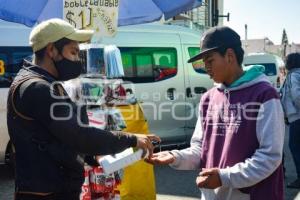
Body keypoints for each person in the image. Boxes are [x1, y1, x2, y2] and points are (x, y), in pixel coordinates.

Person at [7, 18, 159, 200]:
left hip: (53, 189)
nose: (77, 60)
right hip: (46, 193)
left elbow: (60, 139)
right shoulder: (37, 88)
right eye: (73, 52)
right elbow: (78, 135)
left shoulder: (44, 83)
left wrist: (95, 157)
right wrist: (131, 139)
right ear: (51, 50)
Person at [148, 26, 285, 200]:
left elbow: (270, 156)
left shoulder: (264, 95)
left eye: (209, 61)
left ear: (229, 56)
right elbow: (201, 149)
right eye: (203, 63)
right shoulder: (208, 99)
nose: (206, 68)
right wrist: (175, 157)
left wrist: (224, 177)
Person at [280, 52, 300, 189]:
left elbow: (297, 95)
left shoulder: (293, 75)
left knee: (295, 147)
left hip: (297, 118)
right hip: (295, 118)